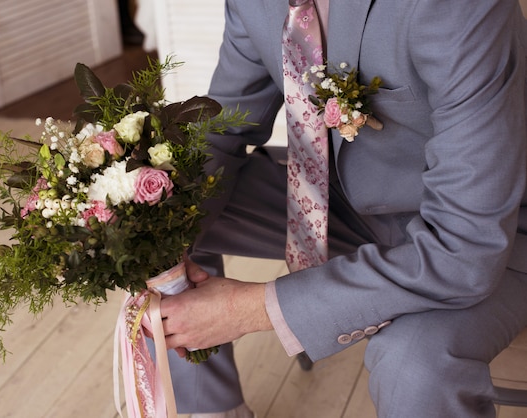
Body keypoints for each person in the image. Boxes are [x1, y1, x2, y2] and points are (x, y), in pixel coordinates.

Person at [158, 0, 527, 417]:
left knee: (414, 365)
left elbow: (464, 249)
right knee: (161, 209)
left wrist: (251, 310)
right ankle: (210, 404)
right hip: (340, 200)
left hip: (490, 231)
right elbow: (221, 129)